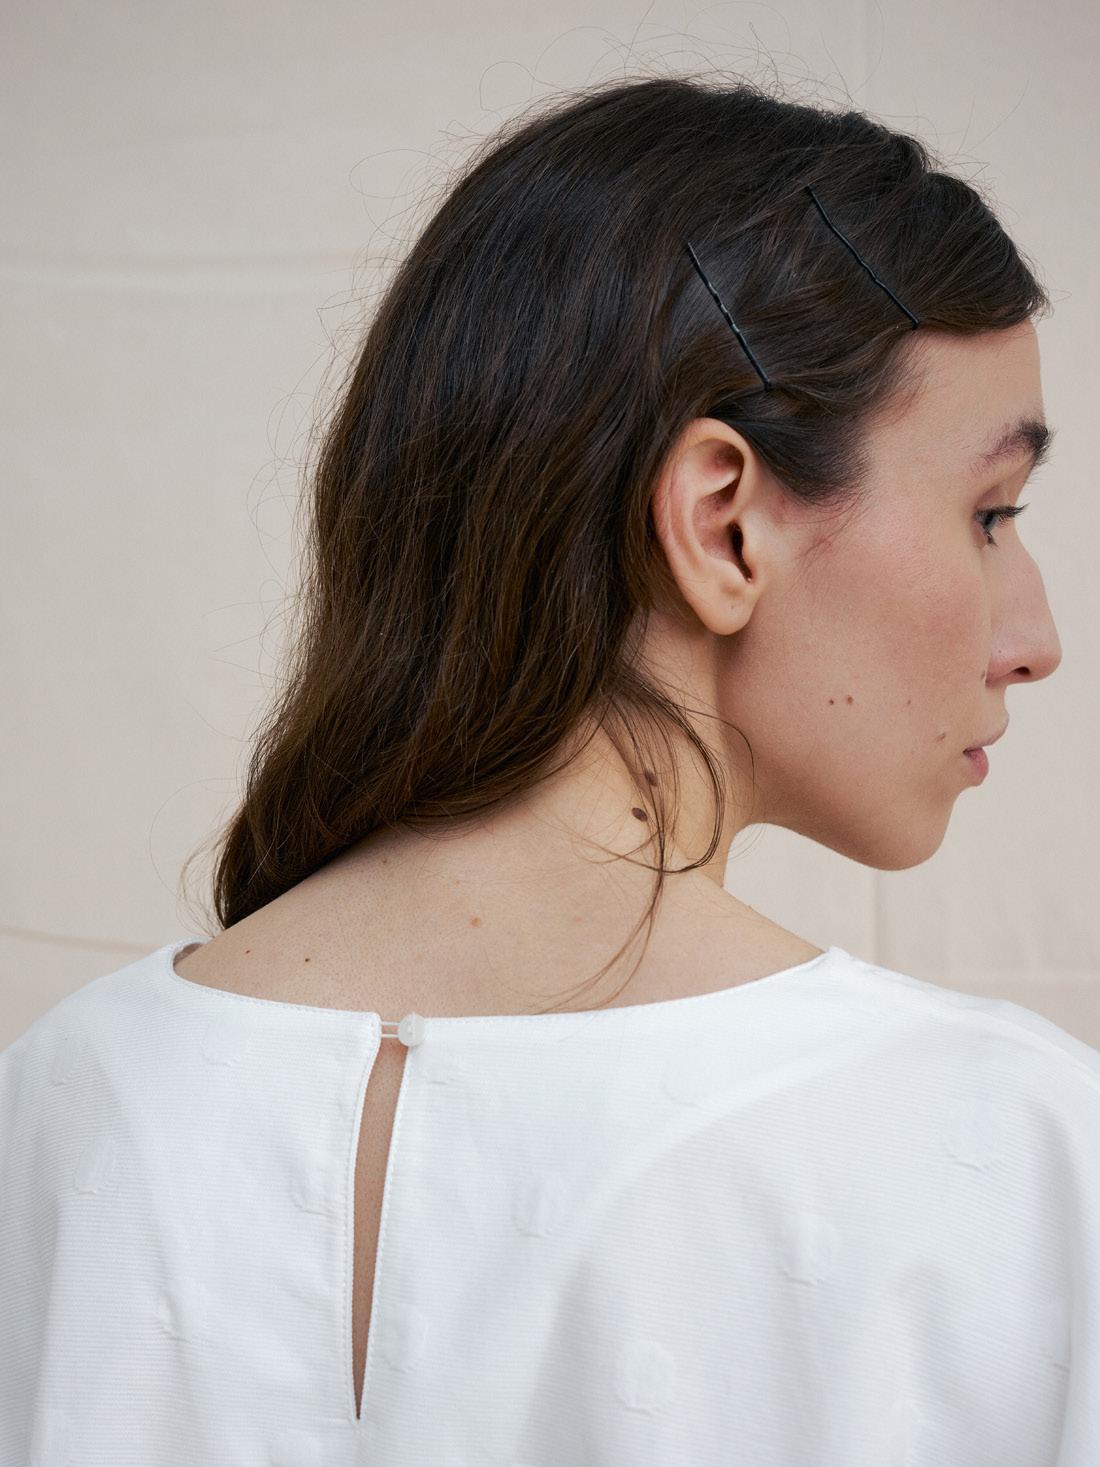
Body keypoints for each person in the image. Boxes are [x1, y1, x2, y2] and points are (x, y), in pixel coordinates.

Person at [2, 72, 1094, 1465]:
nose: (1035, 640)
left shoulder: (54, 1107)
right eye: (991, 513)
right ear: (724, 521)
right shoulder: (1012, 1159)